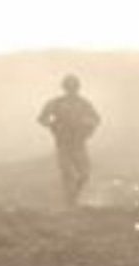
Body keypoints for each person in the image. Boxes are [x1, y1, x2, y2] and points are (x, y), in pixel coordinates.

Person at [37, 73, 101, 209]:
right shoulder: (57, 103)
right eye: (69, 86)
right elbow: (42, 118)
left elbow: (96, 119)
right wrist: (52, 125)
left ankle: (72, 198)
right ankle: (70, 202)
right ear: (65, 87)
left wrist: (88, 127)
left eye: (74, 87)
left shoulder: (83, 103)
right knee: (68, 174)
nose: (71, 89)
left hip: (78, 143)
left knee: (84, 174)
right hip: (63, 143)